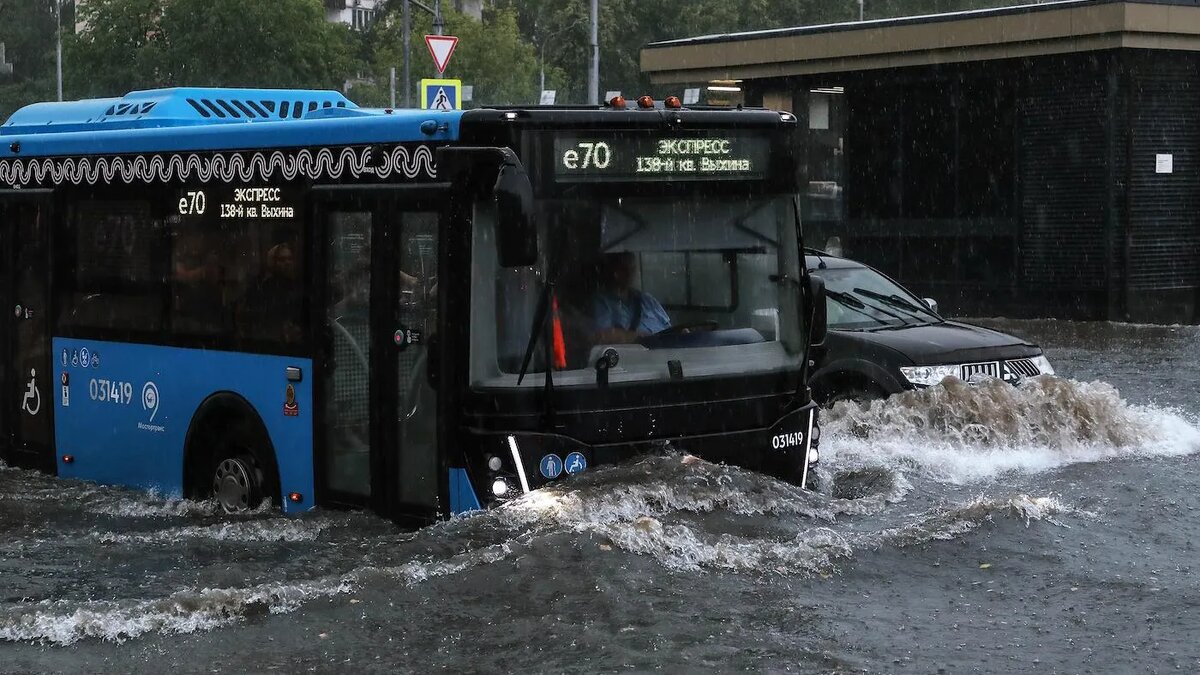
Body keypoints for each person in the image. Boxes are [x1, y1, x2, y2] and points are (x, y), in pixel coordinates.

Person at [592, 251, 671, 344]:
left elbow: (668, 328)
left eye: (633, 268)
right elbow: (601, 336)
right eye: (627, 269)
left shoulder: (647, 300)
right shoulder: (601, 303)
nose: (634, 273)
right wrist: (641, 337)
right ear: (615, 273)